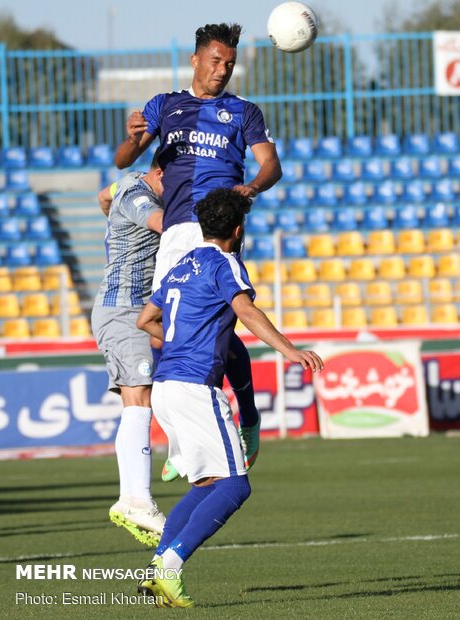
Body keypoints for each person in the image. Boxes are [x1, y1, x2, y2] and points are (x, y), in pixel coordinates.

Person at [135, 188, 323, 608]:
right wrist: (290, 349)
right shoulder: (226, 264)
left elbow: (144, 319)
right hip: (194, 387)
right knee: (236, 487)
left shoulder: (182, 266)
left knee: (207, 485)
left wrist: (181, 340)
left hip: (165, 387)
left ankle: (154, 569)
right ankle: (170, 565)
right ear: (238, 230)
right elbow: (246, 311)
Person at [114, 22, 283, 478]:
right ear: (195, 60)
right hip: (174, 231)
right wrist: (132, 137)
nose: (222, 70)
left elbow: (272, 164)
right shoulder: (165, 106)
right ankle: (184, 437)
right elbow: (123, 160)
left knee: (220, 328)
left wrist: (251, 186)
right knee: (161, 331)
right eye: (214, 61)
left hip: (216, 227)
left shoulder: (243, 111)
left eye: (229, 63)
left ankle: (245, 415)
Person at [91, 149, 166, 547]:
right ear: (158, 172)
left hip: (140, 308)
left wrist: (117, 229)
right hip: (123, 308)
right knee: (139, 397)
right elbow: (160, 221)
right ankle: (137, 500)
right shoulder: (140, 196)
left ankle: (131, 497)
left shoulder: (128, 184)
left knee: (154, 391)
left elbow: (103, 196)